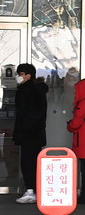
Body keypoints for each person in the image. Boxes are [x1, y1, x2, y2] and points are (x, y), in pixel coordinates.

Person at [13, 63, 47, 204]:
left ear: (28, 76)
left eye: (20, 74)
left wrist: (25, 127)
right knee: (29, 162)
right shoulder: (27, 90)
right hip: (31, 134)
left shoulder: (31, 91)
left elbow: (36, 113)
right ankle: (32, 190)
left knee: (29, 162)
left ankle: (31, 191)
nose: (18, 77)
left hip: (30, 134)